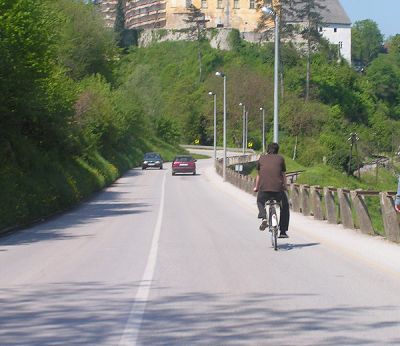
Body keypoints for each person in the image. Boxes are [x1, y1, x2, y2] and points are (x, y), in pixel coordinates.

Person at [253, 142, 290, 238]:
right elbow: (283, 175)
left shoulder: (261, 158)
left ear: (267, 150)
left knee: (260, 201)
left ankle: (263, 217)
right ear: (277, 150)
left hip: (264, 190)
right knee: (285, 207)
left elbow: (259, 175)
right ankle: (283, 232)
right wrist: (285, 187)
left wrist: (256, 187)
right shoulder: (280, 158)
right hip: (278, 191)